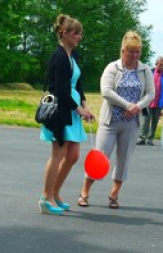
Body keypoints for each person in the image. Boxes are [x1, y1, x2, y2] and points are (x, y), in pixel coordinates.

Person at [79, 30, 153, 210]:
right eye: (131, 51)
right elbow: (106, 91)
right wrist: (128, 105)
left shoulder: (144, 70)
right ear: (123, 51)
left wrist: (137, 106)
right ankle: (85, 191)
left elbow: (151, 93)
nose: (134, 55)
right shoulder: (113, 68)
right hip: (110, 121)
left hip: (131, 123)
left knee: (124, 159)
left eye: (137, 52)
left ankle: (114, 194)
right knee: (100, 157)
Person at [38, 15, 94, 215]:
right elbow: (60, 90)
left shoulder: (73, 56)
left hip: (73, 108)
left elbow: (78, 84)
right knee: (58, 155)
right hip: (61, 111)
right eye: (76, 33)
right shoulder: (59, 56)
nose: (79, 37)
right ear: (65, 33)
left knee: (73, 156)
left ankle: (55, 192)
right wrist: (78, 109)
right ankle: (46, 198)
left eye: (80, 33)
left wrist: (85, 105)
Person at [138, 55, 163, 146]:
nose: (161, 66)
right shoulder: (149, 72)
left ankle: (150, 139)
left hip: (159, 101)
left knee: (155, 121)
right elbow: (143, 85)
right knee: (145, 120)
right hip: (148, 100)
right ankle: (142, 138)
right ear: (156, 64)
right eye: (160, 65)